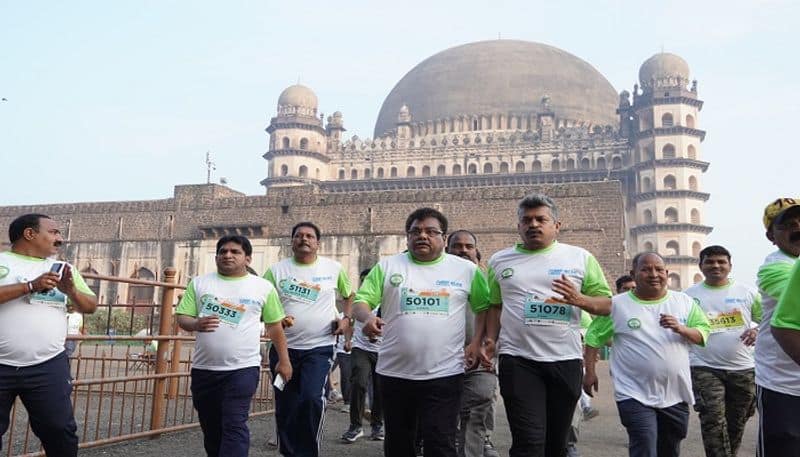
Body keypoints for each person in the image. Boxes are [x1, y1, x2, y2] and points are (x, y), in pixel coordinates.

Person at [479, 193, 612, 457]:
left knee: (557, 443)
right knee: (529, 441)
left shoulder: (580, 258)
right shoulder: (499, 261)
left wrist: (579, 299)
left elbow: (607, 304)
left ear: (556, 225)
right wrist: (491, 339)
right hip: (518, 361)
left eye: (541, 219)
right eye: (526, 220)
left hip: (565, 360)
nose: (533, 224)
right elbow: (495, 305)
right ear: (518, 226)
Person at [353, 207, 490, 457]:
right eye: (415, 231)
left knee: (440, 442)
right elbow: (360, 302)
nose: (422, 236)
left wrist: (478, 343)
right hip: (395, 373)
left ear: (444, 238)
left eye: (430, 231)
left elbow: (484, 308)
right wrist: (368, 316)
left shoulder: (467, 270)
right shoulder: (388, 267)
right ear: (407, 237)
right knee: (399, 443)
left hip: (445, 374)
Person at [584, 252, 710, 457]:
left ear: (666, 273)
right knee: (644, 443)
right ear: (634, 274)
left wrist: (681, 329)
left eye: (659, 269)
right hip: (633, 393)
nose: (653, 274)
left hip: (675, 394)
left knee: (669, 448)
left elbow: (703, 333)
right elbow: (593, 338)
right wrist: (590, 372)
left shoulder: (684, 302)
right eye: (646, 269)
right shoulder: (618, 305)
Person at [176, 235, 291, 457]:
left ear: (248, 258)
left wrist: (284, 361)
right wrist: (196, 323)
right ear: (217, 256)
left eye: (235, 252)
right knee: (212, 429)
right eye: (223, 251)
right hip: (204, 370)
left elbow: (275, 327)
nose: (228, 255)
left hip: (242, 369)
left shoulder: (263, 287)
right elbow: (182, 317)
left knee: (234, 423)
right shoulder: (200, 283)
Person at [0, 213, 97, 457]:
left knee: (59, 431)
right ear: (30, 234)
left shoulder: (65, 269)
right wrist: (30, 286)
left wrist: (72, 291)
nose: (60, 238)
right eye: (53, 232)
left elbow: (90, 306)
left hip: (48, 365)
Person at [264, 222, 354, 457]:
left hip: (320, 347)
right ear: (292, 241)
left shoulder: (333, 268)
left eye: (309, 236)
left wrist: (346, 319)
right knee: (286, 404)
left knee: (312, 399)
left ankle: (307, 452)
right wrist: (277, 319)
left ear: (318, 242)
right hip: (283, 348)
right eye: (299, 235)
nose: (304, 239)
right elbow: (262, 301)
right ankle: (289, 452)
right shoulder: (276, 271)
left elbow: (349, 295)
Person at [684, 245, 761, 457]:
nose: (715, 266)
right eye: (709, 262)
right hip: (704, 366)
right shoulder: (688, 296)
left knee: (737, 421)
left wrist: (757, 331)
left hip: (743, 368)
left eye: (721, 262)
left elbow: (770, 319)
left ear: (730, 266)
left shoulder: (746, 293)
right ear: (700, 266)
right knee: (712, 419)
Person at [447, 230, 499, 457]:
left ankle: (478, 445)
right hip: (440, 359)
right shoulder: (434, 278)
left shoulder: (489, 281)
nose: (463, 250)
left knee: (478, 405)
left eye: (469, 247)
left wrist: (490, 343)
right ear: (447, 250)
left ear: (477, 253)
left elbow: (498, 313)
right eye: (457, 246)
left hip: (480, 358)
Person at [754, 198, 800, 456]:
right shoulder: (775, 267)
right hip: (783, 384)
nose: (798, 227)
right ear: (771, 235)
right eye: (788, 224)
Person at [342, 268, 385, 443]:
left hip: (384, 350)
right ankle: (355, 426)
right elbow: (350, 323)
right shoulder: (358, 301)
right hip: (361, 348)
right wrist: (347, 340)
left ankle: (377, 425)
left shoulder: (387, 299)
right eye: (364, 279)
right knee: (358, 383)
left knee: (381, 388)